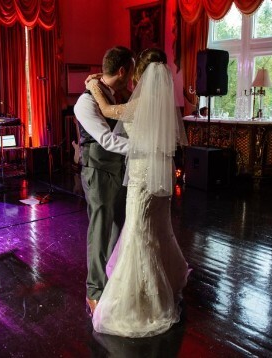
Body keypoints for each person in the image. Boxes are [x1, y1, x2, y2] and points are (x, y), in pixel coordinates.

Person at [85, 48, 189, 338]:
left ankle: (146, 301)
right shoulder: (165, 105)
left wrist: (93, 86)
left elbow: (106, 111)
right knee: (157, 228)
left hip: (142, 175)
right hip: (160, 174)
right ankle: (164, 283)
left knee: (138, 231)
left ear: (141, 75)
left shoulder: (140, 105)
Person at [73, 46, 135, 316]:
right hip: (97, 172)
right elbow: (106, 140)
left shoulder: (112, 95)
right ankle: (94, 291)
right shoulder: (85, 102)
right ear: (122, 71)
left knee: (120, 227)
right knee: (99, 232)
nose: (132, 78)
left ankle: (112, 280)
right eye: (131, 72)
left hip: (119, 171)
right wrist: (143, 148)